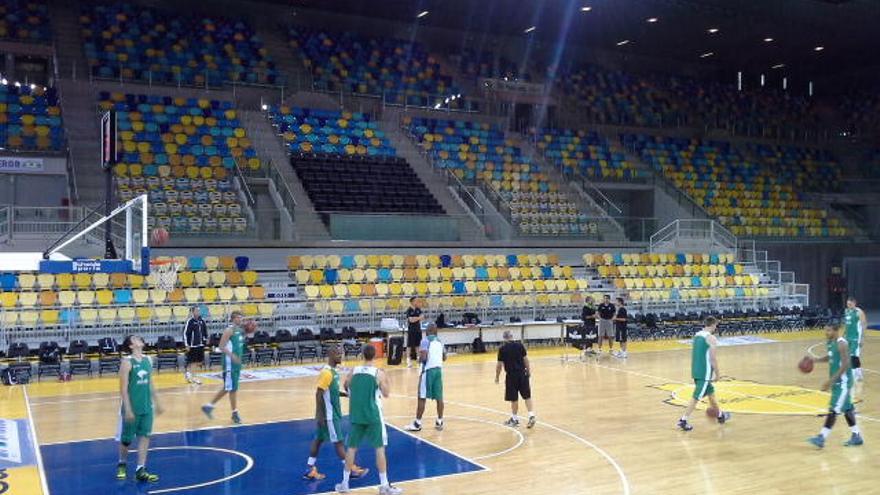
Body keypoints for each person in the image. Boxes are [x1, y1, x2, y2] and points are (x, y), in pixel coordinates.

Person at [336, 346, 402, 495]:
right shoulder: (378, 373)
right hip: (373, 415)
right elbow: (386, 394)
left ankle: (345, 483)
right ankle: (384, 486)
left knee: (351, 448)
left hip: (357, 414)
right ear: (375, 356)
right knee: (379, 448)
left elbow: (346, 386)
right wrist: (387, 380)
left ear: (362, 355)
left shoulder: (353, 371)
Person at [303, 346, 368, 481]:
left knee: (318, 440)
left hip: (329, 414)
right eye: (338, 354)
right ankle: (350, 470)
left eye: (341, 353)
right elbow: (319, 394)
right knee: (338, 442)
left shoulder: (333, 372)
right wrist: (320, 415)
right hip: (330, 415)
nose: (340, 356)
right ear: (331, 354)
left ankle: (309, 469)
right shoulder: (327, 373)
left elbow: (330, 391)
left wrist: (344, 394)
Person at [807, 324, 864, 448]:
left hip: (843, 383)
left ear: (836, 330)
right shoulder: (830, 342)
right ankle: (856, 436)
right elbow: (831, 356)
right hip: (838, 382)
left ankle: (821, 437)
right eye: (825, 330)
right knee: (847, 409)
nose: (826, 332)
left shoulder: (842, 343)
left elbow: (845, 365)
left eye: (828, 330)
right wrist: (816, 360)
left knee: (834, 409)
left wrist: (830, 381)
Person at [116, 334, 163, 482]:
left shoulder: (148, 359)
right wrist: (128, 409)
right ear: (131, 346)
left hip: (146, 406)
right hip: (132, 407)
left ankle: (140, 469)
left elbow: (150, 384)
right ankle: (122, 463)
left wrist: (158, 402)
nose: (139, 339)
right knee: (127, 440)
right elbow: (123, 389)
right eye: (135, 338)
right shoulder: (127, 362)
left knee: (145, 436)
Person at [677, 316, 731, 431]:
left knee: (711, 395)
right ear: (712, 325)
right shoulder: (711, 338)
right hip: (704, 372)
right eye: (715, 325)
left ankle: (721, 416)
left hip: (696, 369)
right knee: (696, 397)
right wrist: (717, 374)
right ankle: (683, 420)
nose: (716, 327)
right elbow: (712, 358)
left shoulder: (697, 335)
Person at [202, 311, 246, 424]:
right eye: (239, 317)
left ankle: (209, 406)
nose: (241, 319)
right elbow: (221, 346)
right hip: (229, 364)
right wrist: (232, 356)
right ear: (233, 319)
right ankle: (234, 413)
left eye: (241, 317)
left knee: (229, 387)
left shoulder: (240, 331)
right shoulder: (229, 330)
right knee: (232, 389)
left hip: (236, 364)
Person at [405, 323, 446, 432]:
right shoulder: (440, 341)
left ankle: (417, 423)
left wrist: (419, 359)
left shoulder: (425, 341)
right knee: (439, 397)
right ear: (436, 331)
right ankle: (440, 421)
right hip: (438, 370)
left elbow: (423, 357)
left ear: (427, 331)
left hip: (428, 371)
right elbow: (444, 357)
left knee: (421, 396)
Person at [495, 330, 536, 428]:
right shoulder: (520, 345)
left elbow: (499, 365)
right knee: (527, 396)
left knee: (514, 398)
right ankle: (531, 415)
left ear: (504, 338)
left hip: (511, 376)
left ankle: (515, 419)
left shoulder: (502, 349)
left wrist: (497, 377)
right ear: (512, 336)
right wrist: (528, 371)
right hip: (522, 374)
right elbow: (526, 360)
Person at [844, 297, 867, 392]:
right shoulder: (846, 311)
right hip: (848, 338)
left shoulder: (859, 312)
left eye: (850, 304)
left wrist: (862, 338)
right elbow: (847, 325)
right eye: (847, 304)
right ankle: (859, 373)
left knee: (853, 357)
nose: (848, 306)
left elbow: (864, 324)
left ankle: (852, 378)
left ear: (854, 303)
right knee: (853, 357)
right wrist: (843, 335)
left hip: (855, 339)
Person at [183, 306, 207, 384]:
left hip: (201, 345)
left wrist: (205, 339)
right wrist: (187, 345)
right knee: (193, 362)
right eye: (196, 311)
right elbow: (186, 333)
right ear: (193, 312)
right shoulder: (190, 321)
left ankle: (188, 373)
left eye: (199, 311)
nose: (198, 312)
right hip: (193, 345)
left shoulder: (202, 321)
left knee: (199, 362)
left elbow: (205, 331)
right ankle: (194, 377)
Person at [404, 297, 423, 368]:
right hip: (411, 330)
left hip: (418, 330)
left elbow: (422, 317)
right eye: (416, 301)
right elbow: (411, 320)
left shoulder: (418, 309)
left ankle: (419, 359)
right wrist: (418, 318)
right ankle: (408, 360)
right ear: (412, 302)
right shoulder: (408, 310)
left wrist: (415, 318)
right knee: (409, 345)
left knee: (418, 345)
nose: (417, 302)